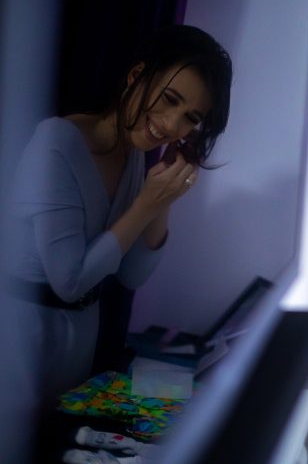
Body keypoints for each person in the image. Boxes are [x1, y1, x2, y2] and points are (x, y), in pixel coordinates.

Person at [3, 25, 232, 407]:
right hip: (19, 337)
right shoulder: (56, 142)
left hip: (77, 338)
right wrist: (146, 203)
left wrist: (163, 199)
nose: (172, 125)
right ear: (136, 76)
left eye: (189, 118)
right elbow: (70, 281)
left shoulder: (134, 154)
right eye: (169, 99)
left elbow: (131, 275)